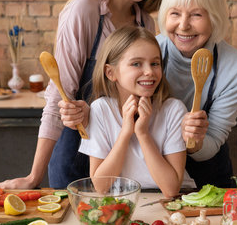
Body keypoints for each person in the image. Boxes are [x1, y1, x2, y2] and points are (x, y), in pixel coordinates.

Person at [0, 0, 178, 189]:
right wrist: (33, 177)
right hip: (75, 157)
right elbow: (59, 96)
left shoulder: (146, 25)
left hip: (122, 166)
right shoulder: (84, 11)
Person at [156, 0, 237, 188]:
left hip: (207, 180)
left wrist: (194, 141)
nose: (183, 25)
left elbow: (213, 141)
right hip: (152, 175)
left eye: (196, 15)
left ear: (215, 17)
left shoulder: (236, 69)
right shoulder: (148, 53)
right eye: (175, 13)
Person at [79, 26, 195, 197]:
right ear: (111, 72)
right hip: (123, 199)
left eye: (155, 63)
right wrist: (126, 132)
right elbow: (101, 186)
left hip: (171, 200)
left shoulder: (173, 110)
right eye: (136, 64)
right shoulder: (101, 109)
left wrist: (142, 133)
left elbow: (171, 190)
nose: (149, 71)